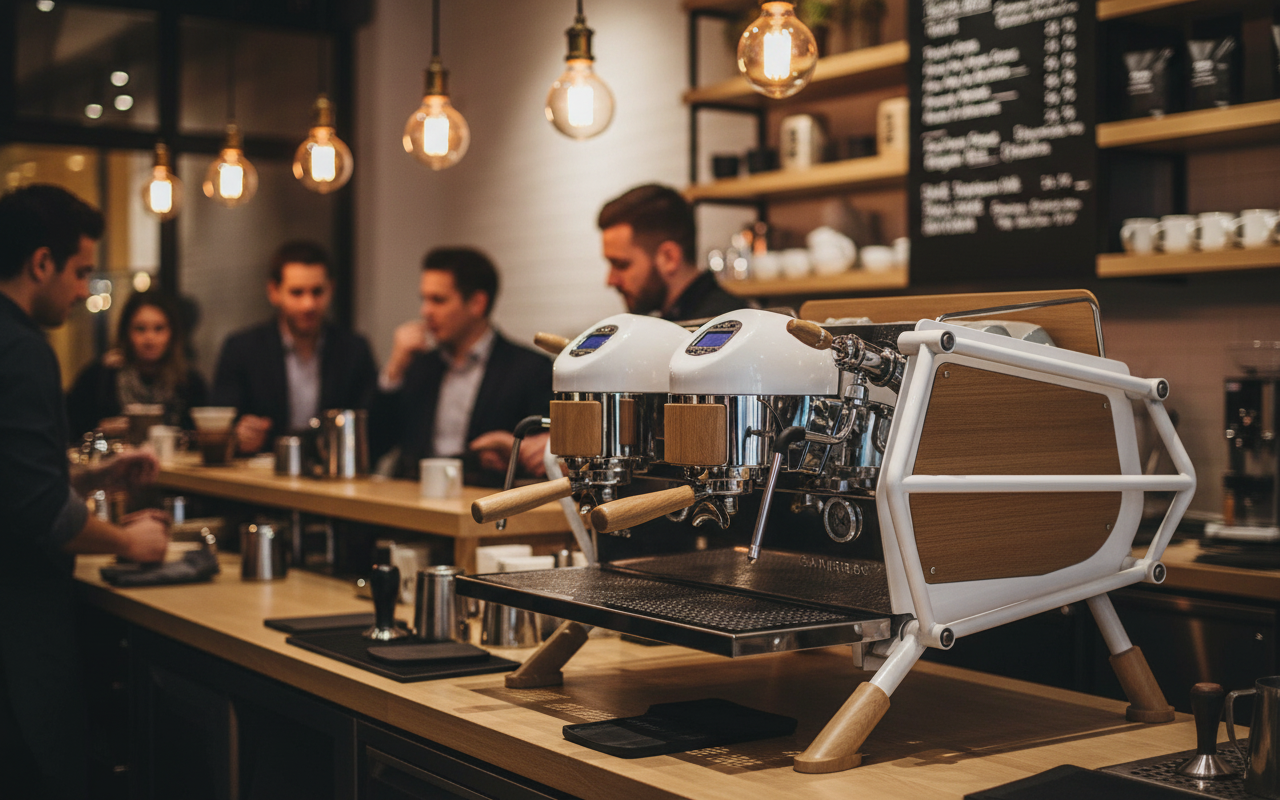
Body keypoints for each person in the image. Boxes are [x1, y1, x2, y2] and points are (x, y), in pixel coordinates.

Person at [0, 184, 170, 799]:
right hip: (17, 630)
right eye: (80, 272)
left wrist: (93, 477)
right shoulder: (22, 351)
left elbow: (15, 480)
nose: (83, 291)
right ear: (40, 263)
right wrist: (132, 542)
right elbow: (43, 515)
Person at [371, 247, 553, 486]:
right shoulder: (421, 365)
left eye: (438, 300)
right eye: (424, 299)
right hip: (418, 501)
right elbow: (376, 444)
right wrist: (394, 370)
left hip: (484, 505)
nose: (425, 311)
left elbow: (544, 461)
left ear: (477, 303)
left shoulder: (530, 369)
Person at [211, 240, 378, 454]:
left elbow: (372, 429)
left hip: (331, 474)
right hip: (262, 474)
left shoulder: (354, 350)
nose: (308, 304)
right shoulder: (242, 349)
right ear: (274, 292)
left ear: (331, 290)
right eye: (297, 293)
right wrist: (238, 434)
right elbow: (219, 420)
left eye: (317, 292)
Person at [66, 289, 208, 441]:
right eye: (140, 329)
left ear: (172, 334)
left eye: (159, 329)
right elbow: (72, 430)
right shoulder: (99, 377)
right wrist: (101, 430)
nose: (149, 338)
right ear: (126, 332)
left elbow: (200, 435)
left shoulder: (190, 383)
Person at [597, 183, 742, 322]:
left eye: (621, 265)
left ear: (669, 258)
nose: (610, 280)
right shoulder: (670, 321)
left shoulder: (720, 329)